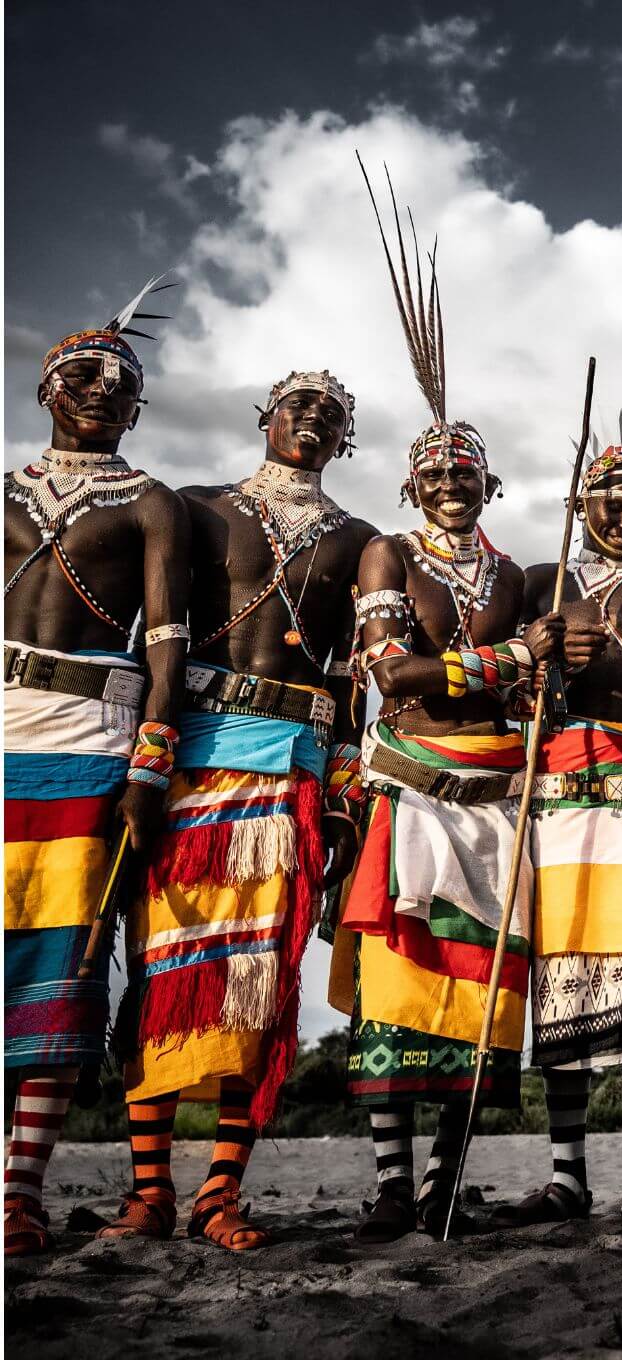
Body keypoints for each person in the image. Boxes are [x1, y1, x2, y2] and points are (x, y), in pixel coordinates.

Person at [329, 192, 581, 1243]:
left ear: (488, 482)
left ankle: (444, 1179)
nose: (449, 485)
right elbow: (396, 675)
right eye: (434, 472)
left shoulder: (519, 573)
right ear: (410, 480)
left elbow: (523, 690)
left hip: (496, 806)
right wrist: (507, 657)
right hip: (418, 789)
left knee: (480, 1008)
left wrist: (531, 661)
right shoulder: (386, 555)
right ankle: (391, 1185)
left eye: (465, 473)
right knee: (397, 993)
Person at [98, 371, 375, 1252]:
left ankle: (220, 1191)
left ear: (345, 442)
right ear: (263, 418)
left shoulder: (358, 540)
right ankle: (148, 1193)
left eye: (331, 415)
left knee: (260, 988)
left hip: (289, 774)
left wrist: (339, 794)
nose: (313, 420)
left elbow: (344, 675)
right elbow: (157, 640)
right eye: (298, 405)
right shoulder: (198, 508)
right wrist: (147, 760)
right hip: (194, 766)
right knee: (165, 972)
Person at [3, 282, 189, 1257]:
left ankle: (18, 1192)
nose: (102, 389)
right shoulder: (3, 491)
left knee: (67, 962)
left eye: (122, 383)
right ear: (45, 386)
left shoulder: (148, 502)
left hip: (90, 737)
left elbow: (167, 639)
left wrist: (151, 762)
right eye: (82, 373)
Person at [490, 439, 622, 1230]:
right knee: (563, 982)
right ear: (581, 505)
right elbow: (507, 694)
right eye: (611, 501)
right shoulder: (541, 586)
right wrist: (542, 658)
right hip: (557, 802)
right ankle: (567, 1175)